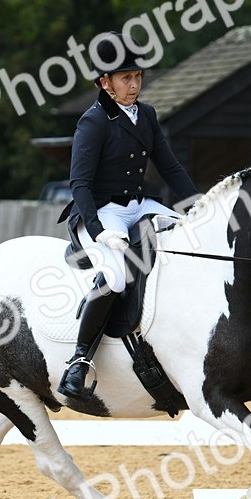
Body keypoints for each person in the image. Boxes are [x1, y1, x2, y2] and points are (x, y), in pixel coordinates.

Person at [54, 35, 200, 398]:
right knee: (116, 278)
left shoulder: (146, 114)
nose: (134, 85)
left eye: (138, 76)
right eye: (125, 78)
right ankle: (79, 361)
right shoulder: (93, 122)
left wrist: (199, 204)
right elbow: (80, 184)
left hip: (139, 205)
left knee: (193, 235)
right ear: (105, 82)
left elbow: (168, 165)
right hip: (103, 211)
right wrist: (100, 230)